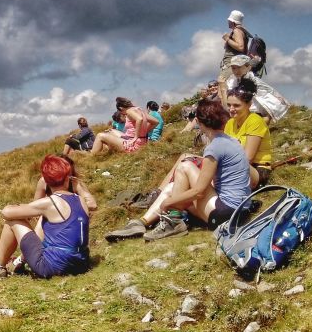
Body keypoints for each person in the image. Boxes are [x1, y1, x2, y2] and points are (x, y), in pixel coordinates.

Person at [105, 99, 251, 241]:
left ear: (199, 122)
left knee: (184, 166)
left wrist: (168, 203)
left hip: (227, 214)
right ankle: (142, 223)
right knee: (172, 187)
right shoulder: (230, 140)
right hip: (241, 210)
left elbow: (199, 192)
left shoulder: (214, 147)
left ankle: (173, 221)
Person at [0, 155, 91, 278]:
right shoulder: (81, 200)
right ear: (68, 178)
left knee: (12, 221)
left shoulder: (50, 202)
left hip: (52, 267)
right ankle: (17, 262)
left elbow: (7, 213)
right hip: (81, 264)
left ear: (46, 181)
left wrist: (14, 207)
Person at [225, 78, 273, 188]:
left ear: (249, 105)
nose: (231, 109)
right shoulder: (230, 123)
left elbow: (248, 158)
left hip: (257, 168)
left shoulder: (255, 121)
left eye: (236, 105)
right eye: (229, 105)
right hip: (235, 164)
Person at [222, 54, 290, 122]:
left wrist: (267, 118)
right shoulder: (232, 81)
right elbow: (227, 103)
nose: (236, 71)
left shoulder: (255, 82)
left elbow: (273, 100)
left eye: (239, 67)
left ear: (248, 67)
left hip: (255, 115)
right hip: (239, 114)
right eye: (233, 68)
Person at [90, 98, 158, 156]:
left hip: (134, 145)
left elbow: (139, 119)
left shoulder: (129, 111)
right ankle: (104, 150)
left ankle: (92, 156)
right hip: (142, 142)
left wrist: (136, 137)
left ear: (121, 108)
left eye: (120, 112)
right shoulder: (139, 110)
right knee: (112, 131)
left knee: (100, 136)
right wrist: (144, 132)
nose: (123, 114)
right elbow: (155, 121)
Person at [220, 9, 250, 82]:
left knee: (222, 84)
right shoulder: (240, 31)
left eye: (229, 20)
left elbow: (240, 47)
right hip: (234, 65)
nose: (228, 22)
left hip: (231, 65)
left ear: (233, 22)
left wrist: (227, 39)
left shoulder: (237, 31)